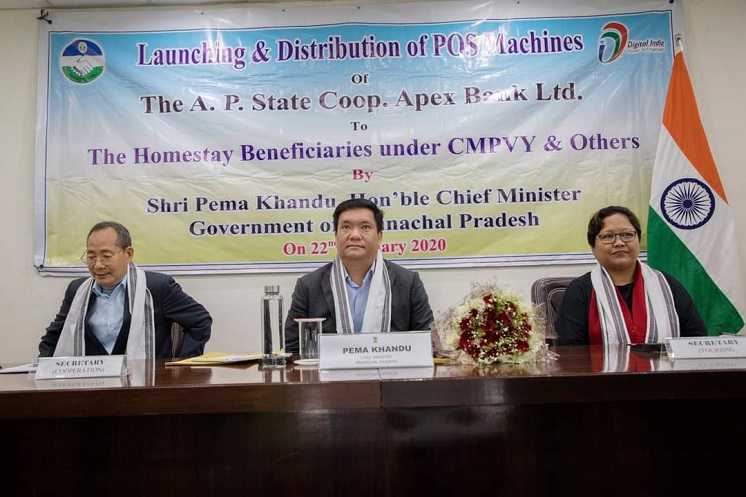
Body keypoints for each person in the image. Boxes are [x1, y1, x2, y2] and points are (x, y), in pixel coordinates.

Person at [39, 221, 212, 358]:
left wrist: (182, 367)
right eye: (91, 257)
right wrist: (43, 370)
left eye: (106, 256)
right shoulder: (77, 290)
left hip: (147, 382)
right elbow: (53, 337)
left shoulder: (157, 287)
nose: (98, 265)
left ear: (128, 254)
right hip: (92, 384)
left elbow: (200, 321)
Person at [284, 198, 434, 353]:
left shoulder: (408, 283)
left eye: (365, 227)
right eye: (346, 227)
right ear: (335, 236)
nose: (355, 235)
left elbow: (427, 343)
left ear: (379, 237)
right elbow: (291, 347)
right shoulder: (308, 286)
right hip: (328, 370)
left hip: (393, 369)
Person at [555, 205, 707, 345]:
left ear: (638, 240)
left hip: (665, 367)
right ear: (592, 247)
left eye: (627, 234)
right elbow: (570, 351)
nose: (619, 242)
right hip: (601, 368)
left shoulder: (667, 285)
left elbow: (696, 339)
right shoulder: (580, 291)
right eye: (608, 236)